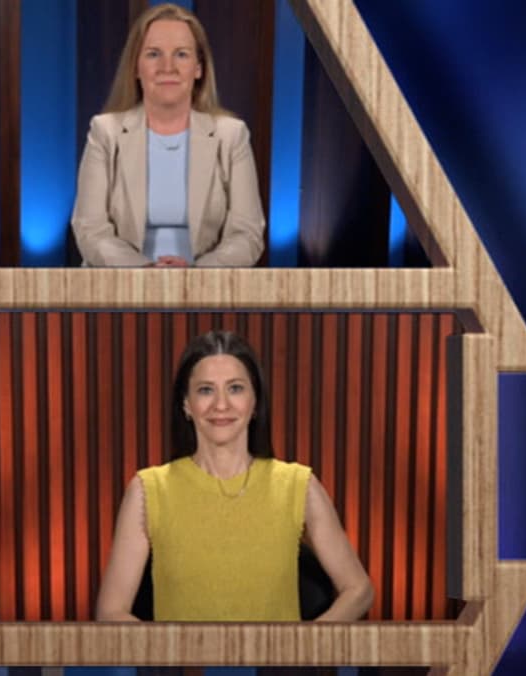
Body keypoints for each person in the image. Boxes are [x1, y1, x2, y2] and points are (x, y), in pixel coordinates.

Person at [94, 330, 373, 621]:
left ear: (255, 402)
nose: (221, 405)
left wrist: (304, 643)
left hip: (275, 653)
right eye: (205, 390)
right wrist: (170, 647)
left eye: (235, 388)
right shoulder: (147, 489)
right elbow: (110, 611)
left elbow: (359, 589)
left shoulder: (298, 485)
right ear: (186, 404)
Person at [70, 4, 265, 267]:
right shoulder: (105, 132)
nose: (167, 67)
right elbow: (90, 228)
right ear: (136, 67)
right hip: (120, 282)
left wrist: (196, 273)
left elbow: (247, 234)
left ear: (198, 68)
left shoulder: (231, 136)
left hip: (205, 284)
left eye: (181, 54)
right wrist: (145, 270)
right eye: (153, 54)